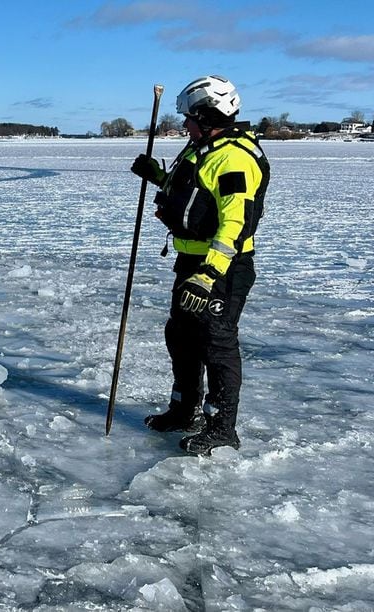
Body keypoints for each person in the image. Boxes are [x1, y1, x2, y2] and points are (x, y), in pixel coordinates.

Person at [130, 75, 270, 455]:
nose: (184, 125)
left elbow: (236, 222)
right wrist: (157, 176)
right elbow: (192, 194)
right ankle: (184, 409)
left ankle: (222, 426)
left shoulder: (233, 158)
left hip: (223, 268)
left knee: (216, 343)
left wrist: (208, 275)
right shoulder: (202, 148)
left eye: (190, 117)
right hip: (190, 259)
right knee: (181, 335)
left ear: (209, 116)